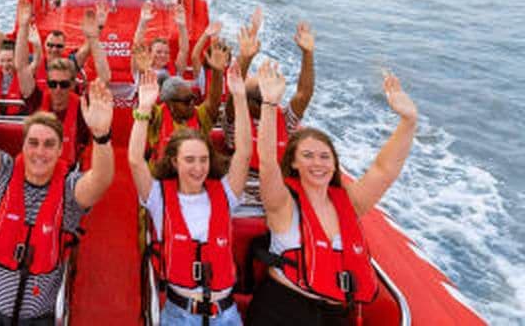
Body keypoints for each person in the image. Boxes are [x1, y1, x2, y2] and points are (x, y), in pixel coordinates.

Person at [249, 61, 418, 326]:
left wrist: (408, 121)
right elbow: (268, 161)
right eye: (308, 155)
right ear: (294, 163)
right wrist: (270, 105)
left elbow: (384, 170)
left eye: (324, 156)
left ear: (334, 163)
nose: (318, 163)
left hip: (335, 316)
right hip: (281, 311)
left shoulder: (349, 203)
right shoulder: (283, 204)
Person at [0, 48, 115, 326]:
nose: (40, 152)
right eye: (33, 143)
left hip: (39, 316)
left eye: (49, 145)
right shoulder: (0, 174)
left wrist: (102, 135)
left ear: (59, 151)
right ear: (23, 146)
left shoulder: (69, 190)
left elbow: (101, 179)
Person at [128, 64, 252, 325]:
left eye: (203, 159)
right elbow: (135, 161)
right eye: (189, 160)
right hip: (180, 314)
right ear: (174, 162)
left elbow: (243, 153)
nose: (198, 168)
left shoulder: (226, 194)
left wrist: (240, 97)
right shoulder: (158, 197)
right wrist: (144, 107)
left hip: (227, 314)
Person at [224, 20, 315, 211]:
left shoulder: (284, 121)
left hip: (276, 196)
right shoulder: (236, 119)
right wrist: (245, 58)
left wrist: (308, 54)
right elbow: (235, 91)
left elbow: (304, 94)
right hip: (240, 196)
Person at [14, 0, 111, 165]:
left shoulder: (82, 106)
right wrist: (23, 27)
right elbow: (21, 67)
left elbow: (105, 77)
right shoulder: (37, 100)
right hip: (37, 165)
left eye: (64, 84)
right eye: (53, 84)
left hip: (69, 171)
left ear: (73, 84)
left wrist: (94, 38)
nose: (58, 89)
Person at [142, 39, 230, 161]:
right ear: (170, 104)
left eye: (193, 98)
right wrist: (144, 70)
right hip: (162, 171)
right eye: (186, 101)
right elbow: (144, 108)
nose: (192, 104)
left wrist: (217, 71)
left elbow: (214, 100)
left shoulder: (200, 115)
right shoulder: (157, 115)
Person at [131, 0, 189, 81]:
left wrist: (182, 26)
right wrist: (143, 22)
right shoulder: (141, 69)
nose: (163, 55)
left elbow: (183, 50)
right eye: (158, 52)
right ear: (150, 53)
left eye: (166, 53)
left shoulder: (176, 69)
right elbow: (137, 46)